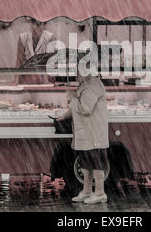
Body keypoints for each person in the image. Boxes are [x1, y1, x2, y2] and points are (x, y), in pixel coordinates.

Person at [57, 68, 109, 204]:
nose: (76, 75)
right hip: (85, 131)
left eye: (78, 72)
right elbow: (76, 108)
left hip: (93, 131)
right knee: (85, 160)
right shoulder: (85, 85)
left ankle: (100, 193)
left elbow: (85, 108)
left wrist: (71, 97)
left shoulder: (92, 87)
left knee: (95, 160)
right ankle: (87, 191)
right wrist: (63, 116)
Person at [15, 18, 56, 84]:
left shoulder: (50, 37)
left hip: (45, 76)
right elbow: (19, 60)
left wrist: (46, 81)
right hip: (28, 77)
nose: (34, 27)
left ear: (44, 26)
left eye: (38, 24)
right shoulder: (23, 37)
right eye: (33, 23)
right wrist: (16, 81)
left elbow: (50, 62)